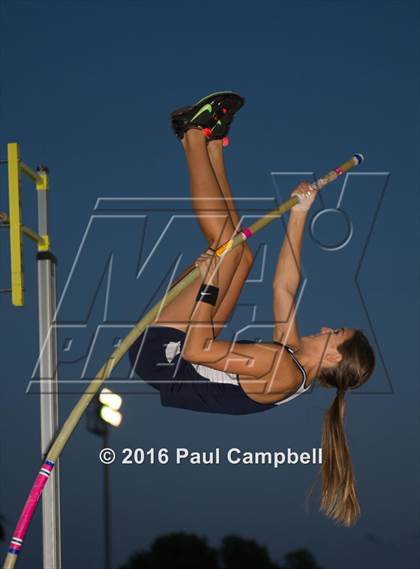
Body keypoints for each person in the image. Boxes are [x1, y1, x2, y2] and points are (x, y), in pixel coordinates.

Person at [129, 91, 375, 526]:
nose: (326, 327)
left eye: (335, 333)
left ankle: (191, 135)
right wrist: (300, 215)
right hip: (187, 350)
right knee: (241, 254)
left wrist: (207, 283)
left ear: (335, 356)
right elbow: (283, 286)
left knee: (224, 249)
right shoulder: (293, 358)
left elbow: (198, 351)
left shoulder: (281, 367)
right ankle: (213, 144)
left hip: (164, 356)